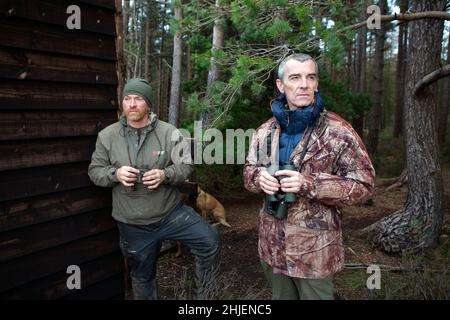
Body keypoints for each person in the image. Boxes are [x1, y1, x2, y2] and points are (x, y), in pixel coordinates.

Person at [243, 53, 375, 300]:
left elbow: (364, 185)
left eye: (310, 77)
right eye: (295, 77)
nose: (304, 84)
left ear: (316, 84)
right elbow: (248, 172)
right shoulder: (265, 131)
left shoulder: (338, 131)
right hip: (272, 248)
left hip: (315, 253)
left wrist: (309, 184)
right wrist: (259, 178)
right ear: (281, 85)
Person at [88, 78, 220, 300]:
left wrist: (165, 175)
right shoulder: (107, 136)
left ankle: (205, 298)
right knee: (142, 275)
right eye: (127, 99)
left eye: (138, 99)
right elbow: (95, 172)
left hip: (171, 214)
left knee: (210, 240)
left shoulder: (170, 132)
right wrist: (115, 174)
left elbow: (186, 166)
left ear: (148, 104)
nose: (131, 104)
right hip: (132, 222)